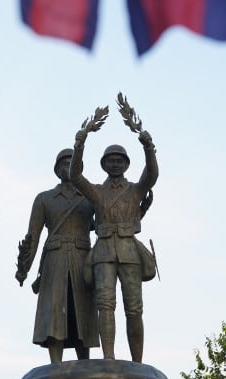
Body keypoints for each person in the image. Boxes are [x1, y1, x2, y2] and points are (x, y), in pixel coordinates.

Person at [69, 129, 158, 363]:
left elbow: (151, 176)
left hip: (129, 252)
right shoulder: (97, 192)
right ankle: (109, 356)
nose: (116, 164)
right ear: (104, 165)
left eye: (120, 161)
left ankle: (137, 362)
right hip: (104, 252)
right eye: (111, 161)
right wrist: (80, 145)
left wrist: (148, 147)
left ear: (127, 164)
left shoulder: (135, 190)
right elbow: (76, 176)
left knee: (134, 309)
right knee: (105, 305)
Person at [15, 148, 99, 363]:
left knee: (83, 311)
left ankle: (84, 364)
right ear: (56, 170)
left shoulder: (91, 196)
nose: (68, 167)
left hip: (83, 258)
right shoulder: (44, 199)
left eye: (72, 162)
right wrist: (24, 269)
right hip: (54, 259)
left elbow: (108, 221)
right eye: (63, 163)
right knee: (54, 311)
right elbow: (32, 237)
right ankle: (56, 366)